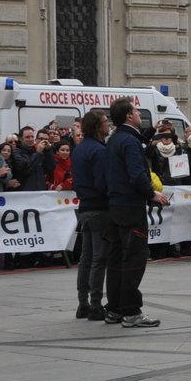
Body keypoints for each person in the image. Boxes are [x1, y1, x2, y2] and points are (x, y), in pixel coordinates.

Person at [103, 97, 170, 328]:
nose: (140, 114)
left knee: (116, 259)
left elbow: (137, 143)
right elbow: (137, 173)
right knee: (133, 259)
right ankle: (131, 311)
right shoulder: (129, 142)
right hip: (131, 207)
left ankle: (113, 308)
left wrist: (153, 131)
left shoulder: (115, 139)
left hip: (115, 206)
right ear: (129, 116)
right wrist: (152, 194)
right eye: (137, 111)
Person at [71, 108, 111, 320]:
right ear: (97, 126)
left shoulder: (79, 148)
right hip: (98, 208)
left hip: (85, 207)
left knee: (86, 258)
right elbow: (101, 182)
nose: (108, 125)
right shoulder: (98, 150)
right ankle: (95, 304)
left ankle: (82, 303)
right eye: (105, 121)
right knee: (98, 258)